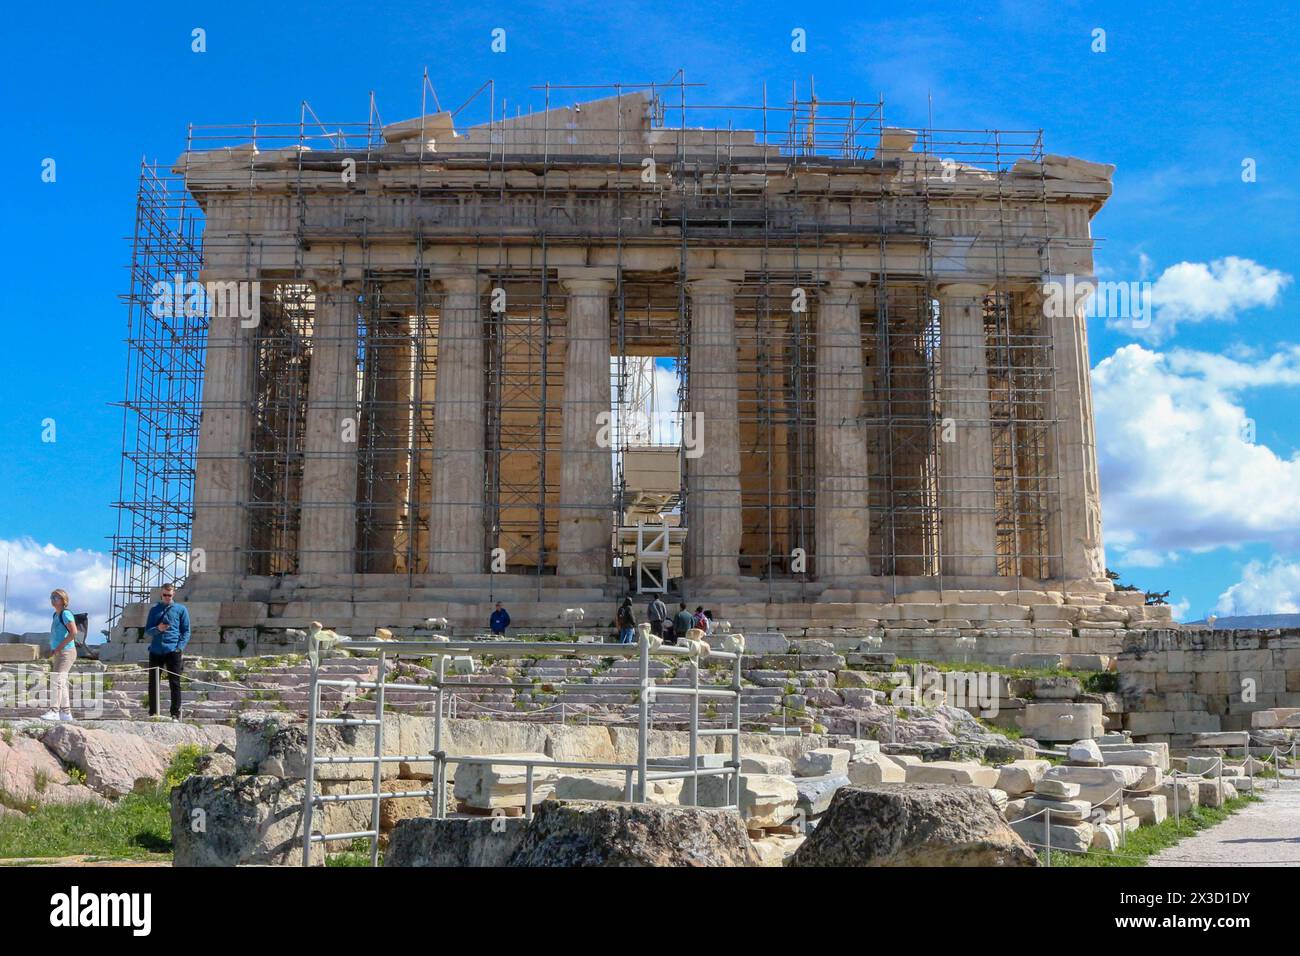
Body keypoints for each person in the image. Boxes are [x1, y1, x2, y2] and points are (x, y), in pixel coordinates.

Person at [144, 582, 190, 721]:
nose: (167, 597)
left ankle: (175, 713)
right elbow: (148, 630)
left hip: (173, 650)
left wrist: (179, 647)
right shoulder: (154, 610)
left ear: (173, 594)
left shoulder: (181, 609)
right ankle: (153, 712)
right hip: (156, 650)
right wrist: (158, 629)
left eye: (169, 595)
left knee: (175, 683)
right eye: (165, 595)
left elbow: (186, 631)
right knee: (153, 683)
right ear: (161, 594)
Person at [43, 589, 78, 721]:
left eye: (56, 597)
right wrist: (54, 649)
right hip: (59, 652)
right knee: (61, 682)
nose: (53, 599)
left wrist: (58, 647)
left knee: (57, 680)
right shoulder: (55, 615)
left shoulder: (66, 614)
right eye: (52, 597)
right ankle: (66, 713)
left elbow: (73, 632)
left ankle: (54, 711)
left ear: (63, 600)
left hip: (66, 652)